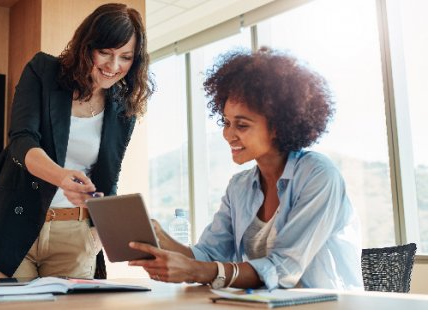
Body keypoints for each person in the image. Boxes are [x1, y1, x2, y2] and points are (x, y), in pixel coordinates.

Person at [129, 47, 363, 290]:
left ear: (278, 126)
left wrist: (197, 270)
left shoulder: (318, 175)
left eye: (241, 125)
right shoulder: (240, 187)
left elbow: (282, 269)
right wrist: (162, 239)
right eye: (226, 122)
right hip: (267, 306)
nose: (229, 135)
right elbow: (209, 256)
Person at [0, 3, 153, 280]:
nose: (113, 66)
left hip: (75, 236)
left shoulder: (122, 109)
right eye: (105, 52)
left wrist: (98, 238)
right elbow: (22, 141)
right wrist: (61, 177)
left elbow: (107, 178)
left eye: (125, 57)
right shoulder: (43, 72)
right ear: (86, 46)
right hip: (13, 225)